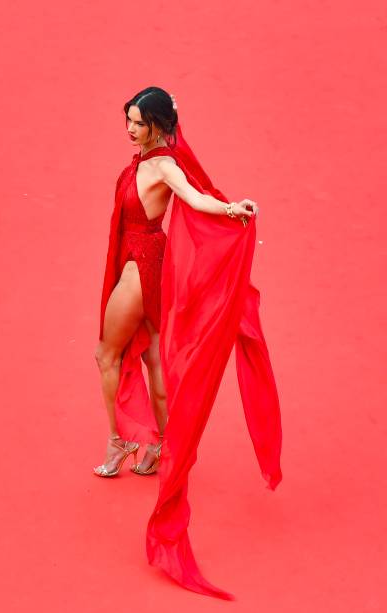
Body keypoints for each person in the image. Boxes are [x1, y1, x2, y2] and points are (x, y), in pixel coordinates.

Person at [93, 87, 282, 598]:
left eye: (136, 122)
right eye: (126, 120)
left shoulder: (162, 166)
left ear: (155, 124)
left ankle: (120, 441)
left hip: (139, 262)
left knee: (106, 353)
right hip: (145, 258)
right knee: (153, 357)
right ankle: (156, 446)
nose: (129, 129)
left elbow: (194, 196)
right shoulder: (155, 158)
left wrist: (230, 210)